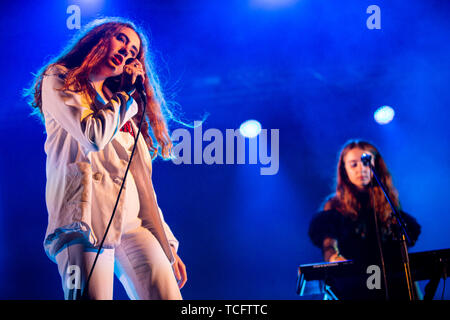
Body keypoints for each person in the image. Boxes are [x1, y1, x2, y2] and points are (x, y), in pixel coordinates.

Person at [26, 18, 187, 300]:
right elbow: (91, 136)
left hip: (133, 224)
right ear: (98, 39)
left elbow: (142, 186)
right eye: (122, 40)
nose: (128, 52)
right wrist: (126, 96)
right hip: (84, 222)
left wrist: (168, 243)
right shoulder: (61, 78)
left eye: (134, 51)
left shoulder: (122, 106)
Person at [308, 139, 421, 300]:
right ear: (344, 169)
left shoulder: (387, 202)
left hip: (390, 283)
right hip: (354, 285)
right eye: (353, 164)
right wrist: (335, 258)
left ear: (376, 165)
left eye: (366, 162)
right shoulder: (334, 205)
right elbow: (328, 244)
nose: (361, 168)